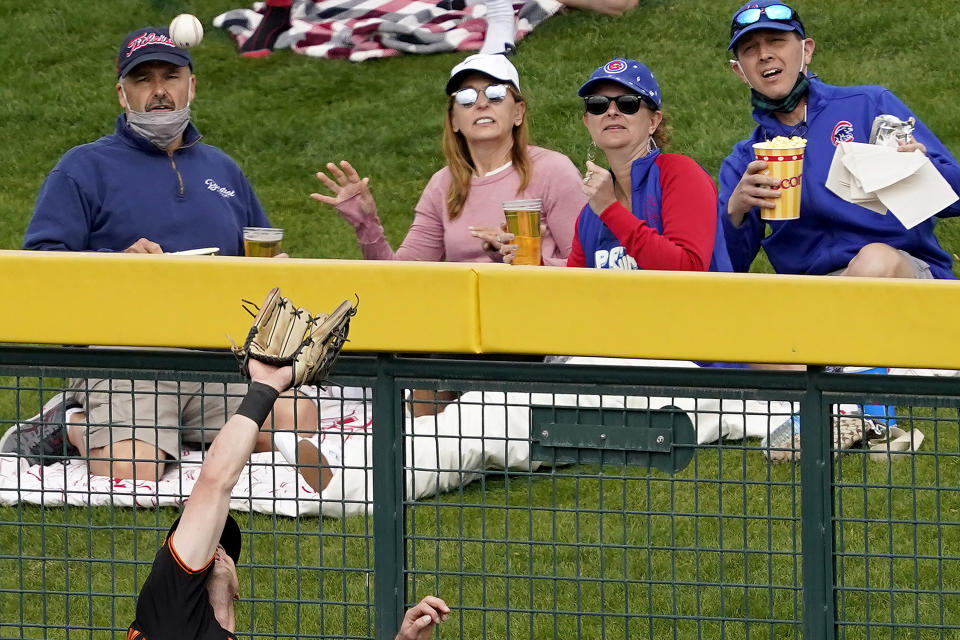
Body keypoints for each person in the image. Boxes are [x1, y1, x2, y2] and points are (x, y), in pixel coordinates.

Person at [13, 26, 314, 480]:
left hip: (214, 356)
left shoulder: (222, 168)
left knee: (298, 422)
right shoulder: (82, 168)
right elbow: (39, 269)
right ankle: (68, 425)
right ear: (122, 93)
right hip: (123, 360)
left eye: (170, 76)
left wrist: (272, 271)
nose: (159, 91)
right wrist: (118, 263)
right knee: (134, 468)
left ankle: (175, 429)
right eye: (143, 79)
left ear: (191, 84)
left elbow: (260, 253)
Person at [126, 356, 451, 639]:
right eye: (210, 550)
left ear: (237, 589)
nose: (216, 554)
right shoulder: (169, 605)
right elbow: (215, 480)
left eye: (220, 549)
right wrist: (265, 387)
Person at [718, 0, 960, 279]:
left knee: (875, 261)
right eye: (750, 49)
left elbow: (955, 201)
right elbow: (726, 272)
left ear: (806, 50)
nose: (764, 55)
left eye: (777, 41)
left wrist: (922, 169)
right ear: (740, 71)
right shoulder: (746, 160)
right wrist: (735, 211)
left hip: (901, 274)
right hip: (815, 292)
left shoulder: (868, 105)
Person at [311, 52, 585, 266]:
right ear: (454, 119)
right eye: (466, 98)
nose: (481, 103)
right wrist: (366, 224)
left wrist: (522, 260)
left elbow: (587, 264)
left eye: (495, 94)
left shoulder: (553, 170)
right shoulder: (443, 184)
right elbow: (404, 277)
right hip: (462, 327)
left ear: (518, 112)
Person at [568, 58, 732, 271]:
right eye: (597, 104)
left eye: (628, 103)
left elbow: (688, 271)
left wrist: (611, 210)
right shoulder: (590, 214)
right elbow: (573, 292)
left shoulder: (680, 175)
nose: (611, 111)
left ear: (653, 121)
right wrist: (526, 263)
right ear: (587, 122)